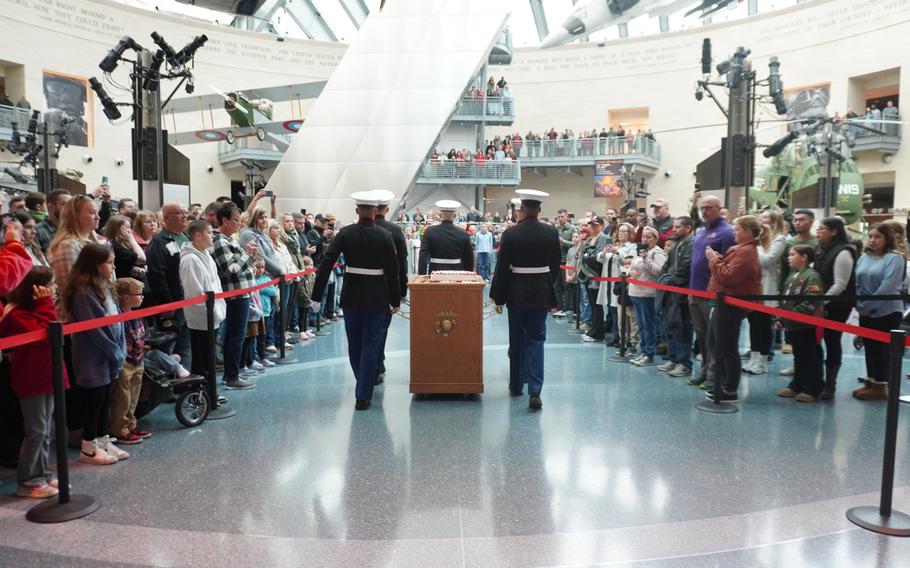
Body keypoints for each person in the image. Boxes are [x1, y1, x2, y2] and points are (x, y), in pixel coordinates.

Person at [310, 191, 401, 410]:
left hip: (351, 295)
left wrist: (316, 296)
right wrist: (395, 299)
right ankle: (363, 390)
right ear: (374, 211)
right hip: (377, 297)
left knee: (355, 344)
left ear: (357, 210)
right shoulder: (385, 236)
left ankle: (362, 384)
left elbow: (326, 263)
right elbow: (393, 270)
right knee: (371, 343)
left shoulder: (345, 234)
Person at [490, 189, 561, 410]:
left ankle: (515, 385)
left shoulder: (510, 234)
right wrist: (546, 285)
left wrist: (498, 297)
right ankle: (535, 391)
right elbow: (556, 265)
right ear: (539, 209)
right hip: (540, 291)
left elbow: (502, 268)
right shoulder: (550, 232)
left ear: (521, 209)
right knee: (536, 339)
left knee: (516, 338)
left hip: (516, 292)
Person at [0, 267, 66, 498]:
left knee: (46, 429)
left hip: (47, 377)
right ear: (37, 290)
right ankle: (28, 480)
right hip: (32, 380)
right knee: (36, 431)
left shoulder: (37, 310)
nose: (55, 290)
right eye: (52, 285)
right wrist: (46, 305)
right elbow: (45, 336)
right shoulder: (17, 315)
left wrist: (46, 306)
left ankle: (42, 473)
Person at [62, 243, 127, 465]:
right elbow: (95, 328)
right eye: (108, 263)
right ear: (95, 265)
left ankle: (102, 439)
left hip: (110, 353)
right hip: (93, 355)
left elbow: (116, 318)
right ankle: (88, 446)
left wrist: (120, 348)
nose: (112, 266)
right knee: (94, 400)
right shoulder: (84, 291)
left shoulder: (105, 286)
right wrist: (114, 351)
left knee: (105, 397)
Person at [704, 216, 763, 403]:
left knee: (727, 346)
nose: (734, 233)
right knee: (716, 343)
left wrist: (713, 259)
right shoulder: (741, 250)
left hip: (732, 305)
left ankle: (730, 389)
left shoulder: (746, 252)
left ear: (747, 231)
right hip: (723, 303)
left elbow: (728, 276)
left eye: (737, 229)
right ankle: (721, 383)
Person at [853, 223, 906, 401]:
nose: (873, 240)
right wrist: (860, 306)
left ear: (887, 238)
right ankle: (872, 381)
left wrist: (869, 306)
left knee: (881, 349)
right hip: (864, 310)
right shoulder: (864, 257)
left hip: (887, 311)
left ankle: (881, 385)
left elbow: (887, 287)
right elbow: (857, 282)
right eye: (871, 236)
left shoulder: (895, 258)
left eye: (878, 237)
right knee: (869, 348)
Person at [687, 195, 735, 388]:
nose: (704, 211)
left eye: (709, 208)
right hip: (694, 291)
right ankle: (705, 370)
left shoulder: (727, 232)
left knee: (715, 337)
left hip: (712, 293)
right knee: (701, 334)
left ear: (718, 208)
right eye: (702, 208)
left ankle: (716, 375)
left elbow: (728, 263)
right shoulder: (700, 231)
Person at [211, 203, 259, 390]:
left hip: (241, 294)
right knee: (236, 336)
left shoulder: (229, 239)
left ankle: (232, 374)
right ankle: (232, 376)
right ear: (224, 220)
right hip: (235, 296)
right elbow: (232, 271)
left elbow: (240, 265)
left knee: (235, 335)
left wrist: (249, 255)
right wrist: (247, 255)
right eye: (236, 220)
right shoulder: (220, 241)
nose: (239, 224)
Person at [813, 216, 856, 399]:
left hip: (837, 304)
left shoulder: (843, 252)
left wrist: (822, 302)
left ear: (834, 231)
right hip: (820, 302)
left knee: (832, 340)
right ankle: (814, 379)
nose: (818, 231)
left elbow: (840, 284)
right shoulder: (820, 249)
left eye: (822, 228)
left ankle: (830, 384)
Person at [776, 245, 825, 402]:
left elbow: (812, 300)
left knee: (810, 356)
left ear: (803, 257)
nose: (788, 258)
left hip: (805, 325)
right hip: (792, 324)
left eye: (792, 254)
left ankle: (812, 388)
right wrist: (781, 318)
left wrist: (792, 315)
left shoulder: (812, 276)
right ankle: (797, 385)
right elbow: (785, 299)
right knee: (798, 356)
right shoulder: (793, 275)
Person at [179, 220, 226, 378]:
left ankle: (208, 392)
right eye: (209, 233)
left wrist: (218, 310)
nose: (213, 236)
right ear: (198, 236)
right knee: (202, 359)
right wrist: (211, 311)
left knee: (208, 358)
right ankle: (202, 395)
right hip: (202, 318)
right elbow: (195, 294)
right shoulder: (190, 260)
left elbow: (216, 284)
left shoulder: (206, 255)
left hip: (213, 315)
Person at [145, 203, 190, 363]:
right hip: (173, 304)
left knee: (185, 346)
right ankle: (167, 384)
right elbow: (157, 276)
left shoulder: (187, 238)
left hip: (190, 301)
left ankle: (186, 382)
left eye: (186, 212)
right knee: (169, 346)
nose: (185, 216)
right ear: (166, 218)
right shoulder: (159, 243)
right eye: (179, 213)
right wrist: (167, 303)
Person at [744, 209, 787, 375]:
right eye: (760, 217)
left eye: (765, 217)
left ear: (774, 220)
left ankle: (763, 360)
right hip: (752, 288)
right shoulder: (759, 240)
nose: (761, 220)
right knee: (753, 324)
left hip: (766, 288)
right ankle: (754, 359)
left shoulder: (779, 238)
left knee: (763, 325)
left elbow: (767, 260)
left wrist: (754, 246)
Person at [373, 192, 408, 384]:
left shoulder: (354, 229)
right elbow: (401, 262)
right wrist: (402, 290)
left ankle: (378, 360)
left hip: (360, 286)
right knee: (381, 327)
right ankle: (377, 363)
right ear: (386, 210)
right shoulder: (394, 230)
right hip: (386, 285)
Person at [109, 278, 148, 445]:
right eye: (138, 294)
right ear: (125, 297)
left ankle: (130, 424)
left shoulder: (136, 315)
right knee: (122, 398)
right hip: (126, 360)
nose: (142, 297)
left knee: (133, 396)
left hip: (138, 359)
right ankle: (120, 429)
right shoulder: (118, 317)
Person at [657, 216, 695, 377]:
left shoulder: (692, 244)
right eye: (674, 227)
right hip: (669, 291)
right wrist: (663, 278)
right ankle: (672, 359)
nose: (674, 230)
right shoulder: (675, 244)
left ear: (688, 228)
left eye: (678, 227)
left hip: (682, 292)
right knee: (670, 325)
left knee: (683, 327)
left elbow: (686, 267)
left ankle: (684, 363)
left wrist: (671, 281)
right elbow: (666, 265)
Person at [628, 226, 667, 366]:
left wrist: (646, 259)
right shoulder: (639, 252)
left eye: (649, 237)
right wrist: (629, 273)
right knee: (641, 325)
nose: (645, 239)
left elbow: (659, 272)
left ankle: (649, 354)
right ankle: (643, 351)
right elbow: (631, 267)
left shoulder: (658, 253)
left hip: (648, 294)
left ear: (656, 238)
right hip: (635, 293)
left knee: (649, 325)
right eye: (643, 236)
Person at [418, 200, 474, 275]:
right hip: (456, 272)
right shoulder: (463, 233)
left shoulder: (430, 231)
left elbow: (423, 254)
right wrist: (468, 275)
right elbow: (469, 257)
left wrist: (422, 275)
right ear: (454, 216)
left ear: (440, 216)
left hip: (435, 272)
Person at [580, 216, 610, 343]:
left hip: (596, 276)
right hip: (588, 275)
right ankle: (594, 329)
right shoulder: (591, 238)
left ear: (601, 226)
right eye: (591, 225)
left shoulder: (602, 238)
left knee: (597, 305)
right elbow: (584, 255)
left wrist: (588, 257)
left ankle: (598, 333)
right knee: (592, 304)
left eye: (595, 225)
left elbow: (597, 258)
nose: (592, 227)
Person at [103, 215, 147, 280]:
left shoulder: (126, 244)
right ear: (117, 230)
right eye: (127, 228)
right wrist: (132, 240)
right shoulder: (115, 247)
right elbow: (142, 259)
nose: (131, 231)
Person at [554, 209, 577, 316]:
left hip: (567, 261)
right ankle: (559, 307)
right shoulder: (555, 229)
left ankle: (568, 308)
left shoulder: (573, 229)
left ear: (567, 217)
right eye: (559, 217)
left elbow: (576, 244)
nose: (560, 218)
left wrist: (564, 241)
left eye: (562, 216)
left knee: (567, 285)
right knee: (557, 286)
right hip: (556, 261)